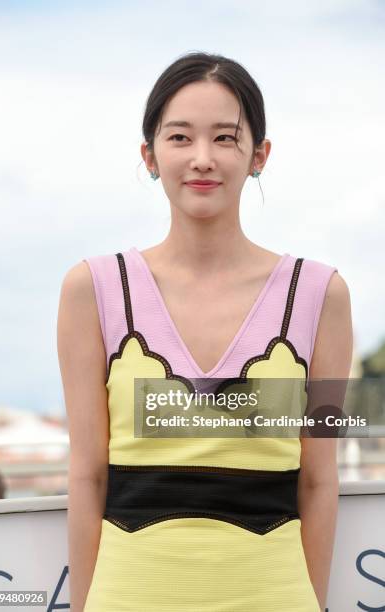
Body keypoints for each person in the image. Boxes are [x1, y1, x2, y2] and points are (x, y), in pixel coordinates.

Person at [57, 51, 353, 612]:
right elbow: (88, 474)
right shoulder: (91, 290)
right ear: (149, 156)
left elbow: (317, 481)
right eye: (179, 138)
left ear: (258, 155)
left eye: (224, 138)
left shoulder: (320, 295)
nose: (201, 159)